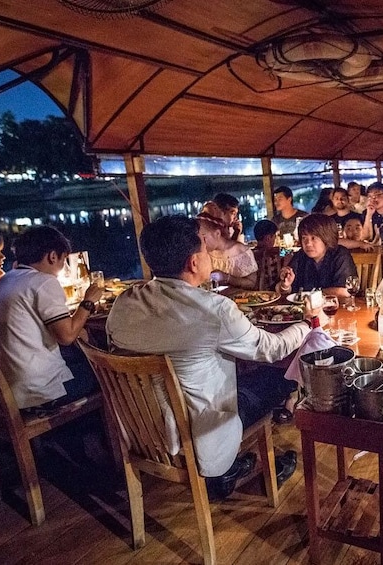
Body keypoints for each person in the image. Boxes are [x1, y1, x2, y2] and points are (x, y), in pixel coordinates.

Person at [107, 215, 323, 500]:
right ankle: (228, 470)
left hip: (141, 428)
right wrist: (308, 323)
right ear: (194, 263)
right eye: (206, 251)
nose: (210, 256)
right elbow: (272, 349)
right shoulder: (214, 309)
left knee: (234, 375)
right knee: (281, 376)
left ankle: (230, 467)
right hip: (202, 431)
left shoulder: (124, 302)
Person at [0, 226, 105, 414]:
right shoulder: (43, 282)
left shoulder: (7, 279)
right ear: (52, 256)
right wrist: (88, 302)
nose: (63, 266)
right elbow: (66, 336)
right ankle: (100, 440)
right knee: (109, 375)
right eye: (64, 260)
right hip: (40, 395)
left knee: (81, 356)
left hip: (9, 392)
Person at [277, 214, 358, 298]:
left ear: (326, 238)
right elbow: (282, 290)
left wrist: (311, 295)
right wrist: (285, 285)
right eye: (304, 238)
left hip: (335, 308)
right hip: (304, 309)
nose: (308, 243)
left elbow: (344, 292)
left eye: (313, 238)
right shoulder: (300, 255)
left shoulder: (340, 254)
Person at [198, 202, 258, 289]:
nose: (201, 242)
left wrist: (227, 278)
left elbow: (252, 284)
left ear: (217, 233)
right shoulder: (204, 253)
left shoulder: (241, 252)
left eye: (204, 237)